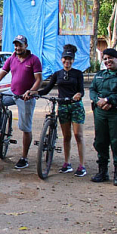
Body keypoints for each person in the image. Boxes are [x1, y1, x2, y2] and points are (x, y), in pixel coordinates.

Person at [0, 35, 42, 169]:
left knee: (25, 128)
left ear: (26, 46)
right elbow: (0, 76)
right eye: (16, 45)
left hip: (25, 96)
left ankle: (24, 157)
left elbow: (38, 80)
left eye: (20, 45)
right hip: (12, 93)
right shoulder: (12, 58)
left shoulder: (34, 60)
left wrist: (31, 91)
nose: (17, 48)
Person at [32, 45, 87, 177]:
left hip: (75, 106)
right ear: (61, 60)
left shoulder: (78, 74)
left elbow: (82, 91)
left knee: (78, 135)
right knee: (66, 136)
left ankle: (82, 165)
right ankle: (67, 163)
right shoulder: (57, 74)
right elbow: (47, 89)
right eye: (65, 58)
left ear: (73, 60)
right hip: (62, 106)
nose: (67, 61)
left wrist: (77, 95)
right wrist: (34, 92)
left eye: (70, 59)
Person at [89, 48, 117, 186]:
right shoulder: (100, 75)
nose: (108, 61)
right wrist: (98, 100)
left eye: (110, 58)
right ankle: (102, 172)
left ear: (116, 59)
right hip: (100, 113)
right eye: (105, 59)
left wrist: (108, 100)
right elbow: (92, 90)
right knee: (100, 142)